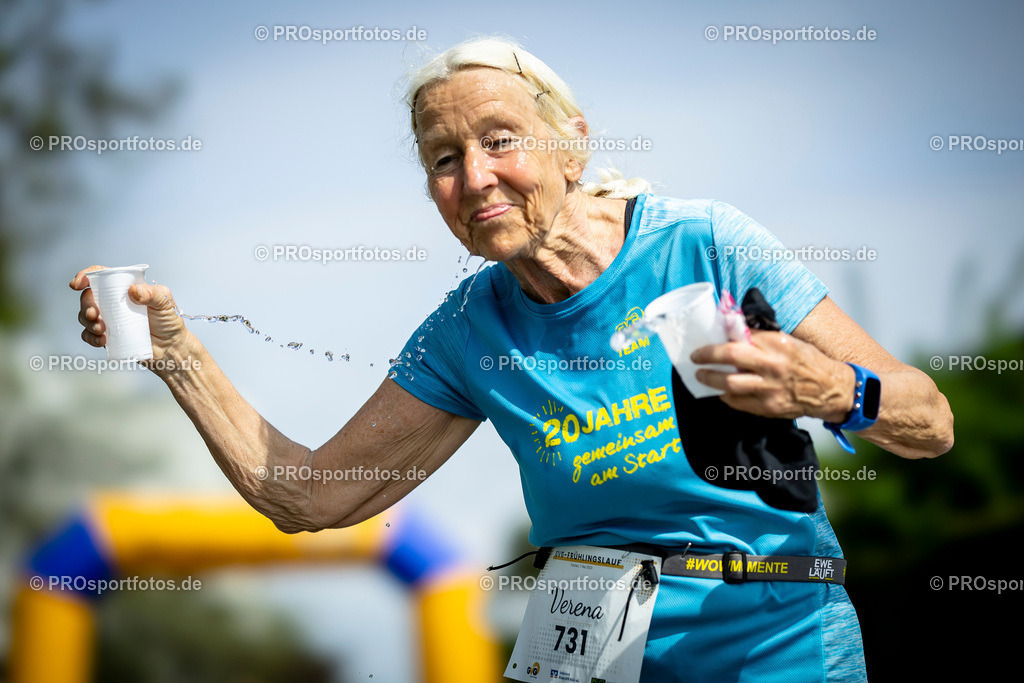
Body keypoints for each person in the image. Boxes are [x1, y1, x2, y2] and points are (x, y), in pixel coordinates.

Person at [72, 37, 953, 682]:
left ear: (571, 142)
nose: (477, 177)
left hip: (773, 629)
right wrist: (176, 353)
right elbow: (308, 494)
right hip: (593, 637)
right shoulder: (467, 329)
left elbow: (931, 421)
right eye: (444, 160)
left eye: (500, 140)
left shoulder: (705, 243)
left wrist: (834, 388)